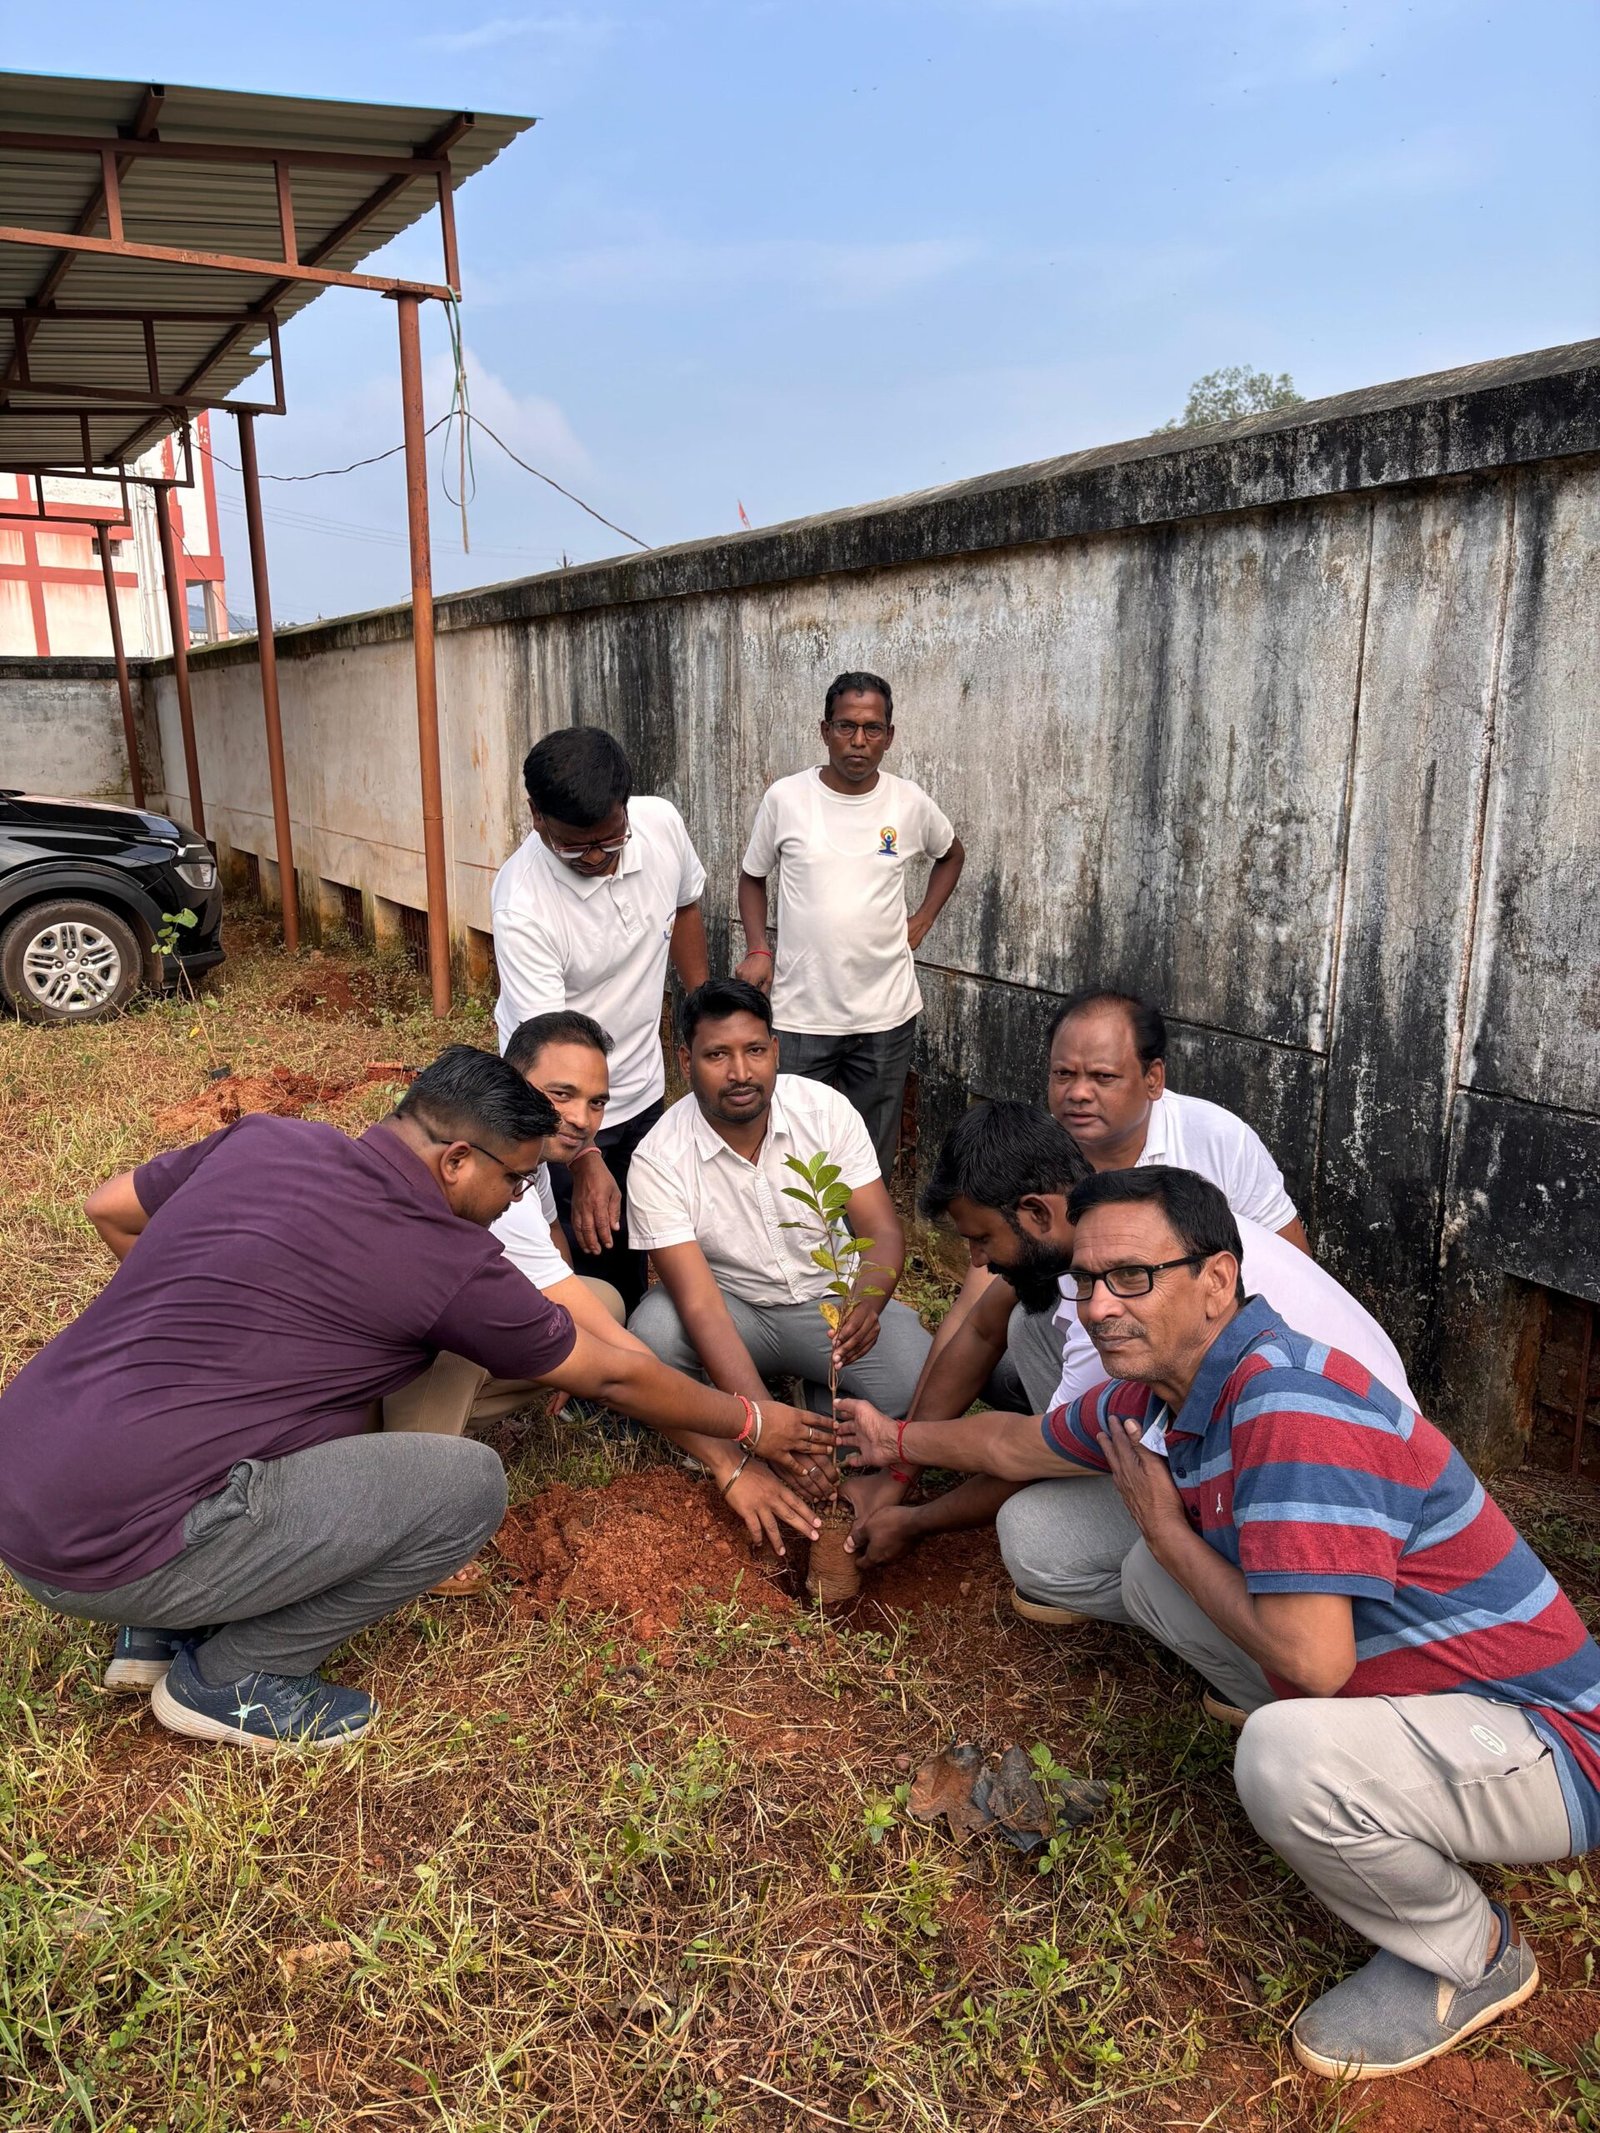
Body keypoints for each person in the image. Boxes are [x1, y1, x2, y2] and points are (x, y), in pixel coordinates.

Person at [838, 1166, 1599, 2080]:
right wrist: (895, 1439)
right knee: (1159, 1583)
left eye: (1132, 1276)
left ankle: (1471, 1954)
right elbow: (1015, 1442)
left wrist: (1165, 1526)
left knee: (1282, 1749)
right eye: (1086, 1280)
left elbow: (1316, 1665)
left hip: (1545, 1741)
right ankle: (1371, 1780)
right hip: (1426, 1691)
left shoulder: (1287, 1404)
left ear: (1216, 1280)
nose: (1097, 1306)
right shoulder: (1161, 1390)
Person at [0, 1048, 834, 1752]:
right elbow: (609, 1374)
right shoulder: (444, 1257)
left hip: (24, 1481)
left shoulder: (266, 1141)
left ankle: (162, 1624)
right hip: (113, 1551)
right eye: (517, 1179)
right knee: (464, 1485)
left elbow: (109, 1206)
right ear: (457, 1161)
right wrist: (751, 1422)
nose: (517, 1201)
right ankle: (231, 1676)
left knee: (322, 1413)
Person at [849, 1106, 1417, 1607]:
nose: (977, 1259)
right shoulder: (1118, 1224)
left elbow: (1025, 1452)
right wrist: (899, 1467)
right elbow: (981, 1330)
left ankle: (1231, 1614)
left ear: (1038, 1214)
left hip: (1330, 1487)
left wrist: (915, 1522)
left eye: (982, 1240)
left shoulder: (1116, 1302)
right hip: (1347, 1434)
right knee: (1027, 1318)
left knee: (1036, 1538)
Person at [385, 1012, 822, 1561]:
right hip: (359, 1377)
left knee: (603, 1301)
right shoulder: (487, 1173)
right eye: (560, 1093)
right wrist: (734, 1453)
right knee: (460, 1336)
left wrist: (560, 1331)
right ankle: (413, 1519)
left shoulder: (521, 1158)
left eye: (596, 1102)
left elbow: (555, 1258)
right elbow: (619, 1366)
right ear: (510, 1081)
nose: (580, 1118)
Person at [918, 985, 1309, 1449]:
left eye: (1102, 1077)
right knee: (1025, 1321)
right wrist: (905, 1441)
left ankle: (1082, 1452)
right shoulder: (1038, 1159)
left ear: (1153, 1079)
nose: (1078, 1093)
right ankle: (1076, 1443)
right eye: (1063, 1074)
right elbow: (977, 1316)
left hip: (1222, 1365)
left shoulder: (1219, 1141)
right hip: (1107, 1354)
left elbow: (1296, 1268)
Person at [627, 979, 932, 1435]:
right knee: (655, 1335)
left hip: (831, 1307)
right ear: (686, 1061)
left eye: (754, 1051)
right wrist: (763, 1426)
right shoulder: (659, 1159)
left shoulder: (824, 1111)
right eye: (716, 1055)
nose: (741, 1073)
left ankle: (811, 1391)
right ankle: (741, 1403)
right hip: (734, 1308)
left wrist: (866, 1305)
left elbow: (882, 1231)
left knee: (918, 1385)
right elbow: (700, 1305)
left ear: (776, 1050)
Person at [491, 725, 709, 1313]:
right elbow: (549, 1055)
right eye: (575, 847)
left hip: (641, 1084)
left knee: (640, 1228)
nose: (596, 859)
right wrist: (584, 1156)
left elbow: (685, 903)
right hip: (558, 1101)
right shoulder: (523, 905)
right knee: (591, 1248)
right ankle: (601, 1378)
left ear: (627, 806)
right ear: (536, 816)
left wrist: (702, 1008)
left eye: (610, 842)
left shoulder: (660, 823)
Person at [735, 670, 964, 1181]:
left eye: (872, 728)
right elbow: (752, 877)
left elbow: (951, 855)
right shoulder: (786, 799)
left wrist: (923, 919)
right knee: (790, 1150)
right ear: (824, 730)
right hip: (800, 1016)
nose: (858, 741)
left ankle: (863, 1259)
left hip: (884, 1017)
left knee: (869, 1158)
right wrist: (758, 948)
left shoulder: (908, 802)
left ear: (889, 735)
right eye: (846, 726)